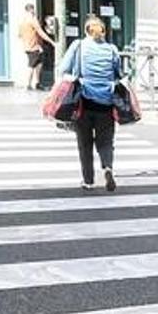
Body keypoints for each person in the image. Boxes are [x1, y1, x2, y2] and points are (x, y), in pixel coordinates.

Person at [57, 15, 121, 191]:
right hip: (106, 104)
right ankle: (107, 167)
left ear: (86, 30)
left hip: (83, 104)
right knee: (106, 142)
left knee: (85, 144)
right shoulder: (112, 49)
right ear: (103, 31)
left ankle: (88, 181)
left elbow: (62, 70)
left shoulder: (78, 46)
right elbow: (119, 74)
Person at [18, 3, 55, 90]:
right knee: (31, 65)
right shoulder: (32, 20)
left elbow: (19, 35)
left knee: (39, 63)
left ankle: (37, 83)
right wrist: (52, 42)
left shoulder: (22, 21)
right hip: (33, 46)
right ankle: (27, 84)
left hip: (28, 46)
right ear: (31, 10)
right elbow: (40, 32)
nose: (34, 11)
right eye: (33, 10)